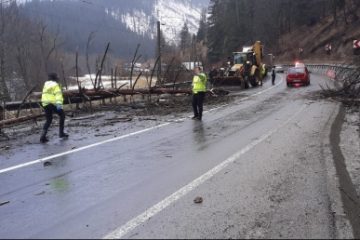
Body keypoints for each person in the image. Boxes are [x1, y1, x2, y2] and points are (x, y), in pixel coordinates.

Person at [40, 73, 69, 143]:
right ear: (55, 78)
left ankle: (42, 137)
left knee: (49, 120)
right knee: (62, 115)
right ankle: (61, 133)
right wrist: (59, 104)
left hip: (45, 103)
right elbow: (58, 95)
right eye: (57, 77)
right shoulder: (55, 85)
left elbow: (45, 94)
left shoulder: (46, 84)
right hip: (53, 103)